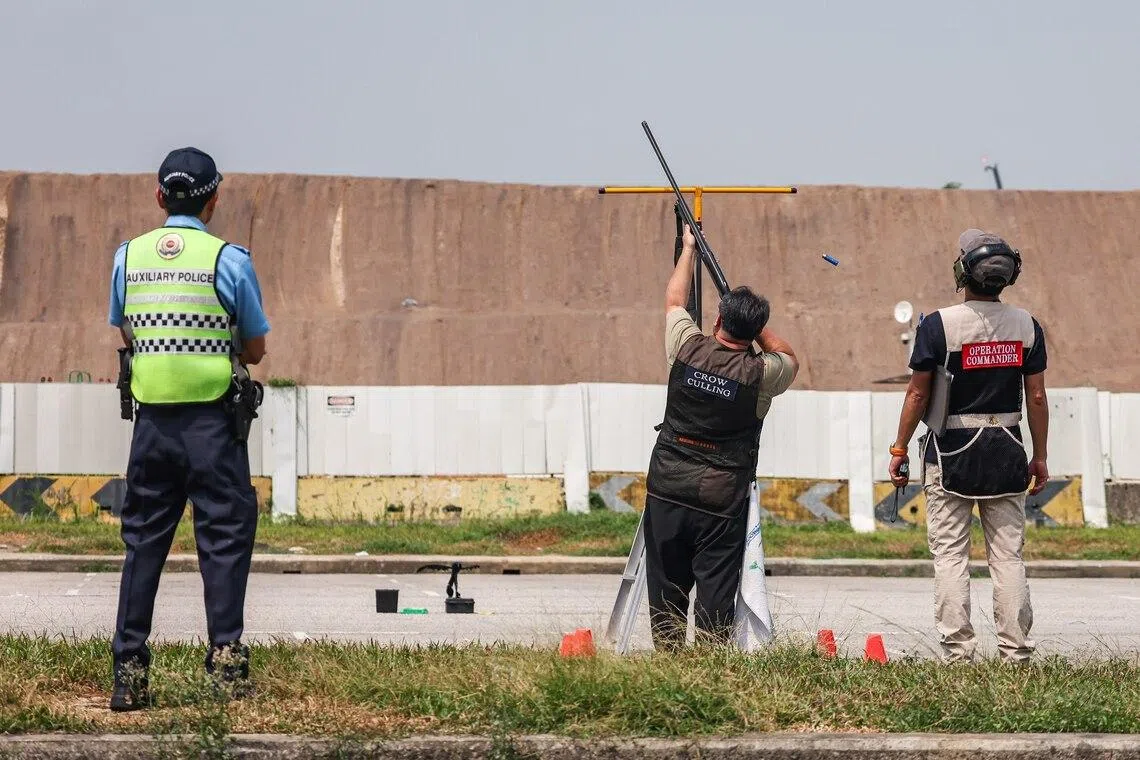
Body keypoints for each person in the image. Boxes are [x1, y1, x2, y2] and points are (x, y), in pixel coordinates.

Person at [106, 147, 270, 711]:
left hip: (151, 425)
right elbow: (256, 348)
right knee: (223, 541)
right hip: (214, 428)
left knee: (143, 543)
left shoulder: (129, 257)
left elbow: (126, 333)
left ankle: (129, 675)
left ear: (159, 196)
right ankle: (225, 667)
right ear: (213, 199)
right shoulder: (229, 260)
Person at [888, 228, 1049, 664]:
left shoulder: (938, 326)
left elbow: (918, 394)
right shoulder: (1027, 326)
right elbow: (1035, 397)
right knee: (1008, 557)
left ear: (962, 272)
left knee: (951, 556)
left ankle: (958, 655)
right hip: (1008, 450)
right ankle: (1017, 654)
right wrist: (1040, 456)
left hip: (949, 453)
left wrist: (899, 448)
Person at [643, 224, 799, 650]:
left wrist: (689, 249)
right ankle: (712, 662)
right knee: (715, 588)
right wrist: (757, 329)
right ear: (755, 333)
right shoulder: (762, 374)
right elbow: (787, 354)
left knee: (666, 587)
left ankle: (670, 659)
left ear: (715, 320)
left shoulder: (685, 347)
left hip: (668, 485)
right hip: (721, 495)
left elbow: (674, 299)